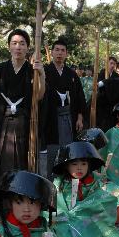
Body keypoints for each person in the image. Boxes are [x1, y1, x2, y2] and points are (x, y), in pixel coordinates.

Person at [0, 29, 45, 222]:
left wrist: (42, 72)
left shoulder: (32, 70)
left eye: (22, 43)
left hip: (25, 123)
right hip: (3, 121)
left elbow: (39, 96)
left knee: (23, 163)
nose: (18, 47)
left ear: (28, 47)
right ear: (9, 46)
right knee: (0, 164)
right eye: (14, 43)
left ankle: (22, 207)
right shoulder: (1, 69)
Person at [42, 39, 86, 179]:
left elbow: (80, 97)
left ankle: (67, 180)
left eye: (62, 50)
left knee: (68, 149)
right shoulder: (44, 71)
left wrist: (79, 117)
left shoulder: (72, 74)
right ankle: (51, 180)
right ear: (52, 52)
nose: (59, 53)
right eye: (57, 50)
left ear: (66, 54)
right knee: (52, 149)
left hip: (69, 116)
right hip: (50, 117)